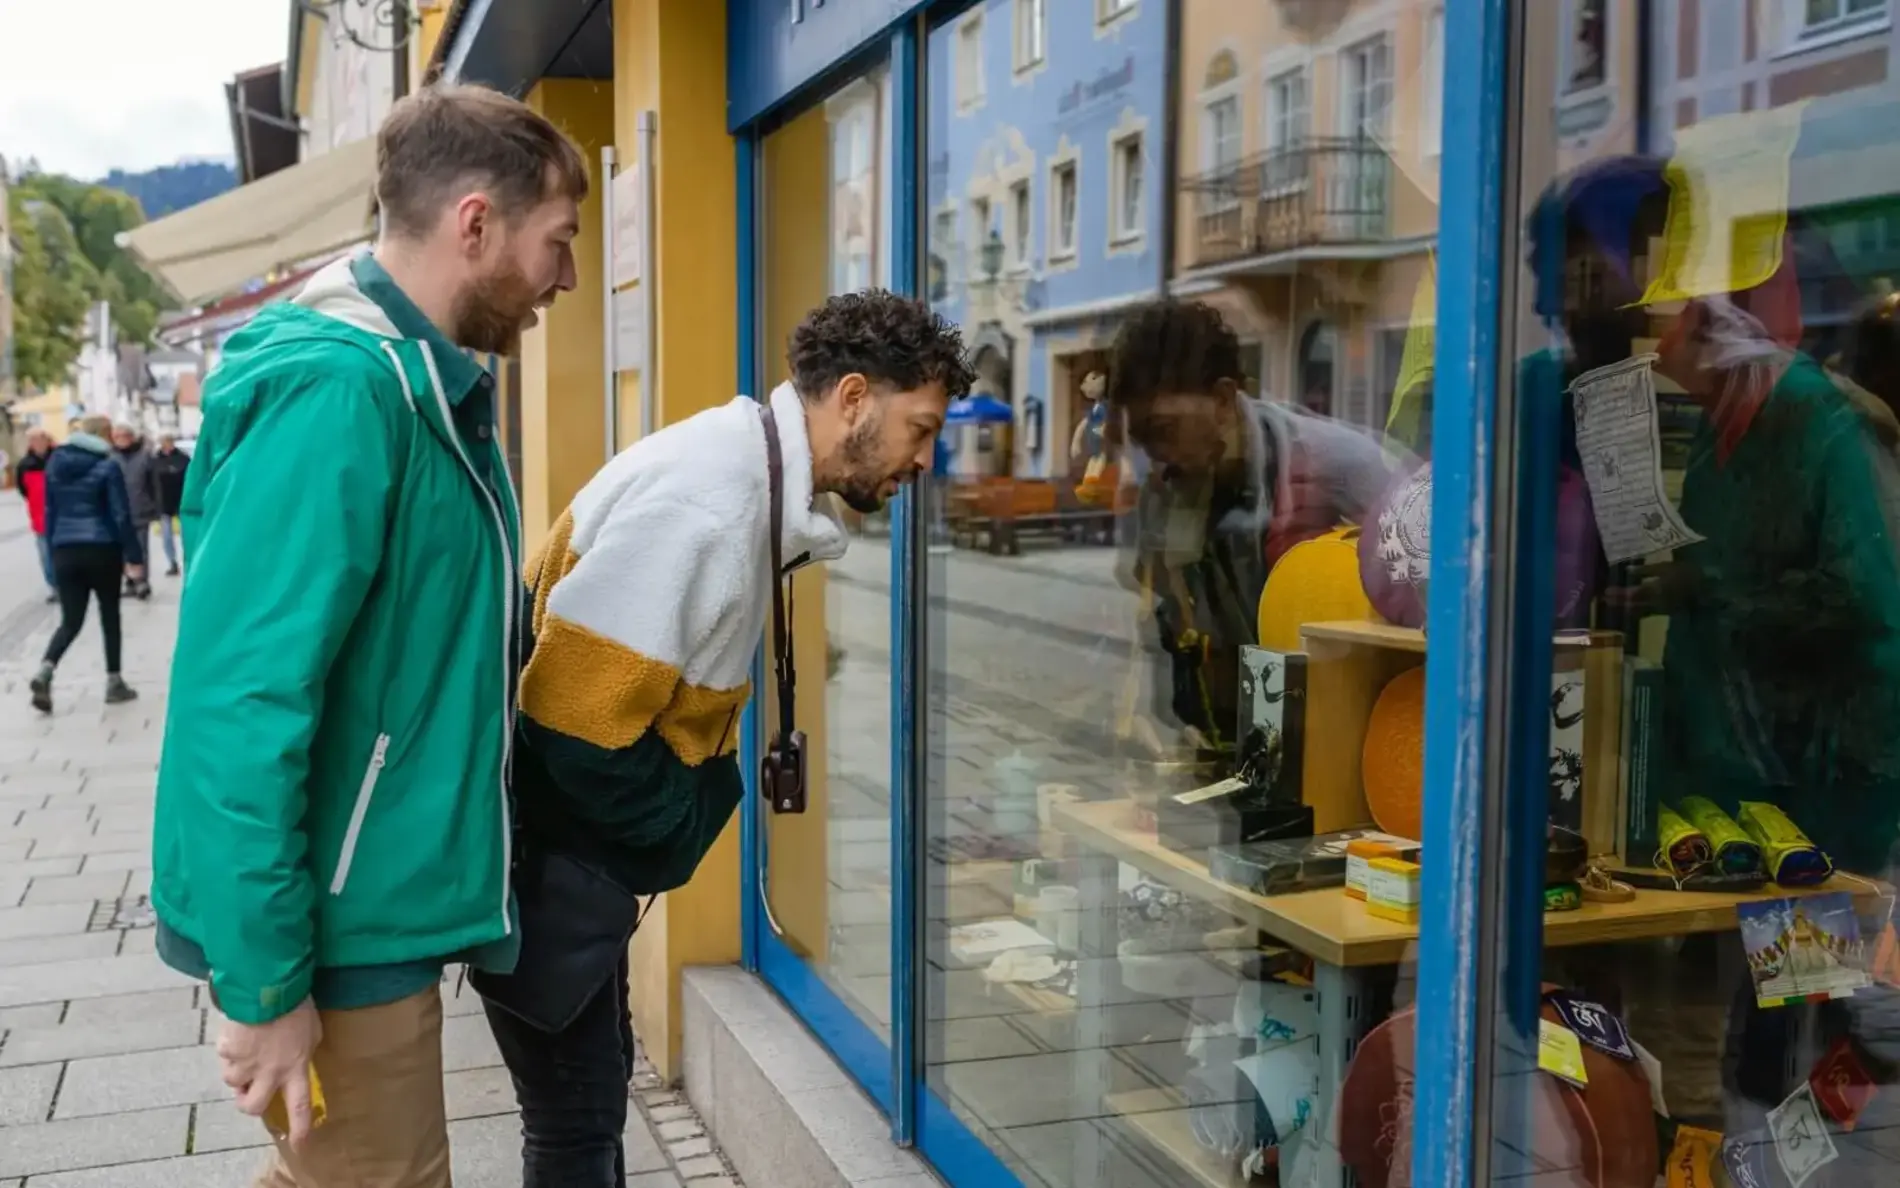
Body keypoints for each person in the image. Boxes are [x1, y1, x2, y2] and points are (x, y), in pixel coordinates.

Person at [150, 82, 585, 1188]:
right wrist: (265, 990)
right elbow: (238, 702)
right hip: (334, 939)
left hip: (361, 909)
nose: (567, 277)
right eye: (559, 240)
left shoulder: (416, 384)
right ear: (475, 223)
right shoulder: (346, 394)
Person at [472, 289, 969, 1186]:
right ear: (853, 398)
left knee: (589, 1103)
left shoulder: (742, 471)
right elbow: (573, 732)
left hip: (569, 880)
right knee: (576, 1129)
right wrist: (698, 806)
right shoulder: (712, 502)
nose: (927, 459)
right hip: (555, 881)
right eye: (922, 428)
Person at [30, 415, 145, 712]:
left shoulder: (55, 464)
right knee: (110, 615)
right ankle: (114, 682)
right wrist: (134, 556)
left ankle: (45, 669)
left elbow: (50, 510)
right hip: (102, 550)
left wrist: (55, 551)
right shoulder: (109, 465)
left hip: (65, 550)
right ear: (104, 435)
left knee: (71, 620)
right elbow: (120, 515)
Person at [111, 423, 160, 599]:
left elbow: (155, 484)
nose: (121, 440)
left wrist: (156, 507)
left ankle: (143, 581)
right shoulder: (110, 457)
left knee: (141, 548)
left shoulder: (145, 456)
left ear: (132, 437)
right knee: (121, 550)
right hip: (117, 512)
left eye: (124, 436)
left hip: (141, 509)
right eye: (117, 436)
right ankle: (130, 580)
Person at [15, 429, 57, 602]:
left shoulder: (58, 459)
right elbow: (23, 490)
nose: (37, 443)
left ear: (47, 440)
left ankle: (71, 585)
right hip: (39, 517)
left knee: (65, 554)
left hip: (61, 516)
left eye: (40, 439)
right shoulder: (25, 464)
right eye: (33, 440)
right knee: (46, 555)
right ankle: (55, 587)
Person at [149, 434, 190, 575]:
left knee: (186, 533)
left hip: (181, 501)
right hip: (163, 502)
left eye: (168, 441)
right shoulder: (154, 460)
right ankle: (172, 562)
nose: (166, 444)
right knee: (166, 535)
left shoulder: (183, 458)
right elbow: (150, 482)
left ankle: (188, 559)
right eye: (164, 442)